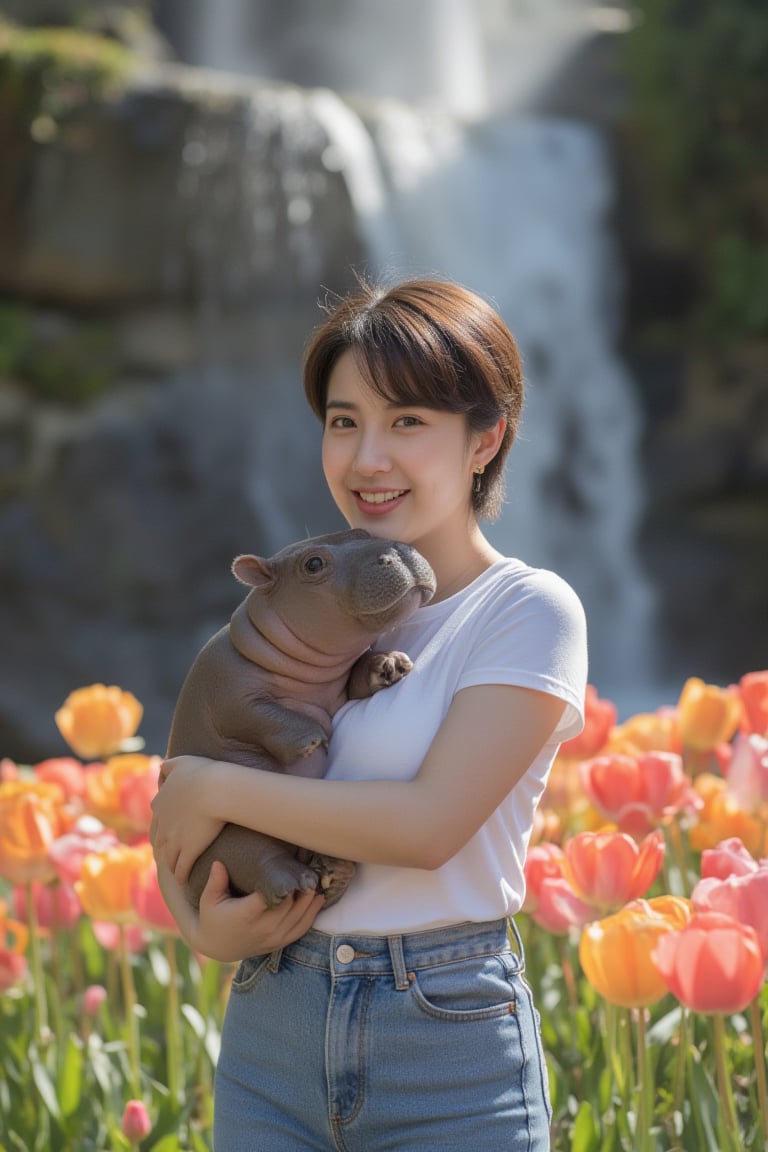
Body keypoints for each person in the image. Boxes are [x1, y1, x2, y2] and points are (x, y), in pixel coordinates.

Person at [150, 277, 588, 1151]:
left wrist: (208, 787)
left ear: (485, 439)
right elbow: (178, 823)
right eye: (344, 421)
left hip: (443, 1041)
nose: (366, 459)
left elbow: (427, 827)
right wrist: (200, 924)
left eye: (408, 423)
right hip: (271, 1032)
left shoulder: (525, 611)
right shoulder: (306, 604)